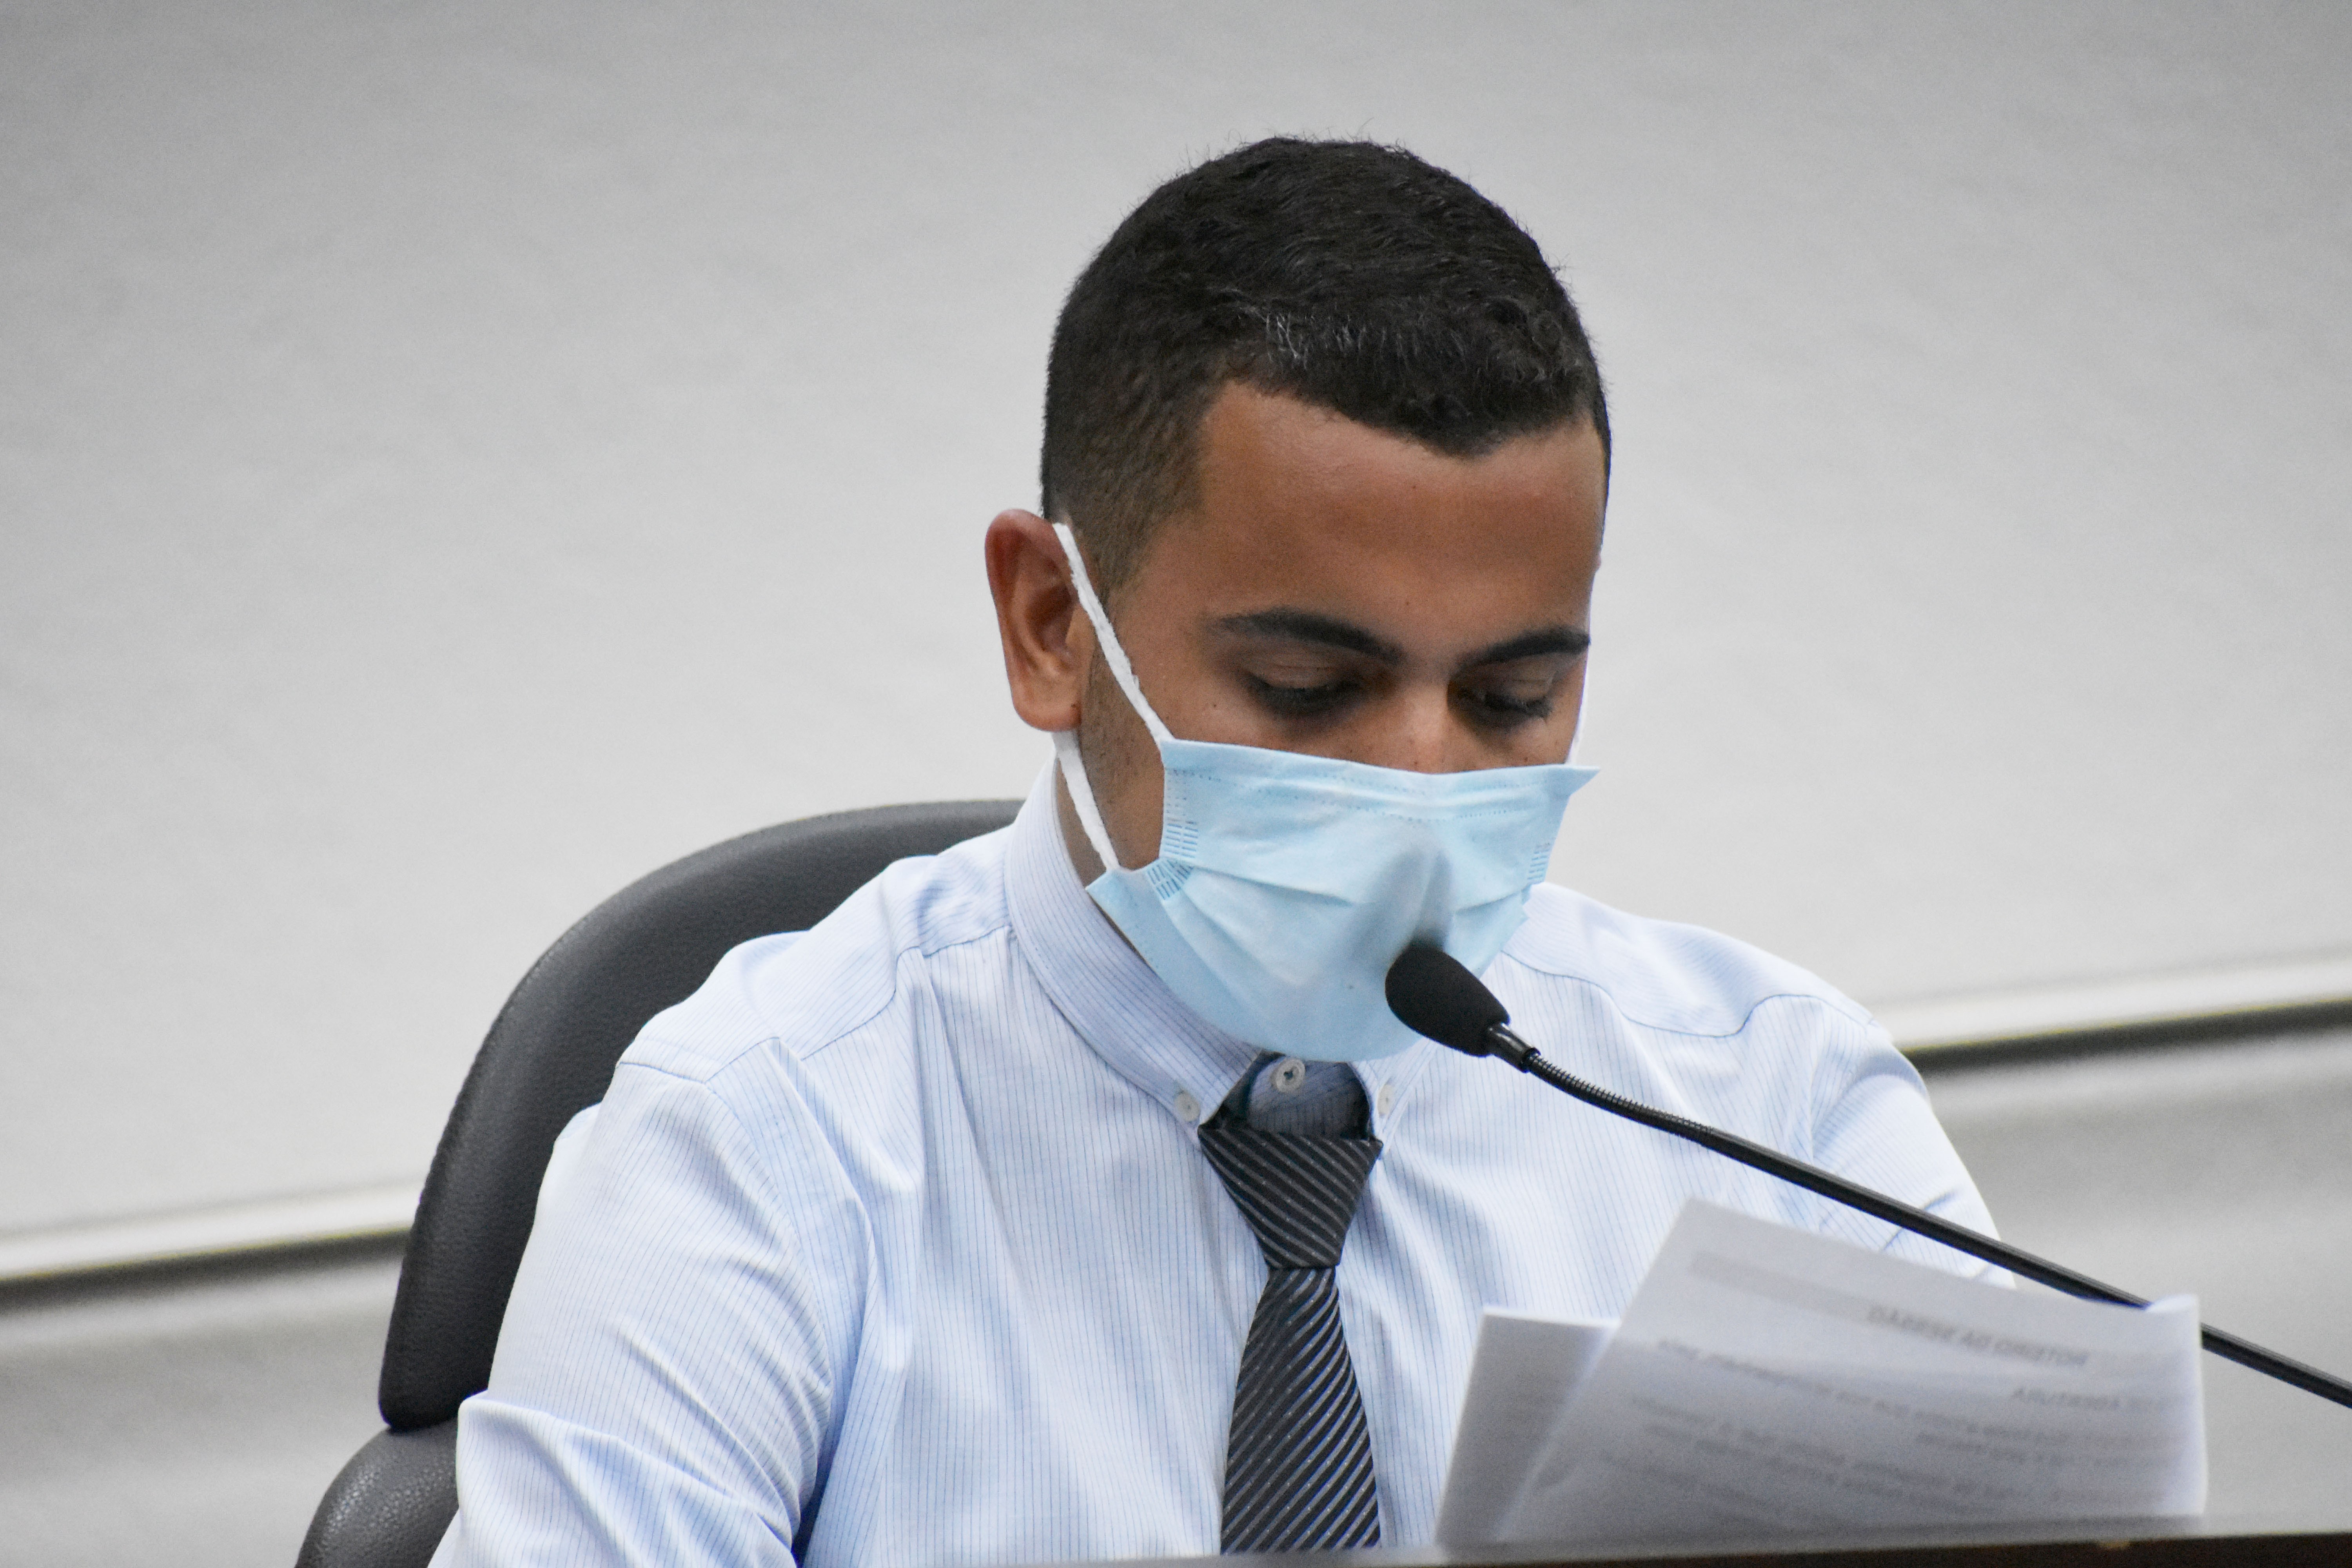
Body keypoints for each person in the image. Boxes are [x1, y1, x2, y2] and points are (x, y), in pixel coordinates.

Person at [432, 138, 1995, 1568]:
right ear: (1053, 625)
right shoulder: (756, 1146)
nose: (1420, 780)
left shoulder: (1772, 1112)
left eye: (1513, 697)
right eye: (1308, 687)